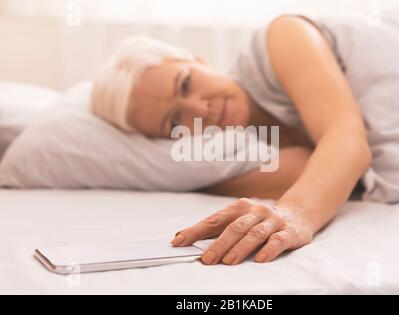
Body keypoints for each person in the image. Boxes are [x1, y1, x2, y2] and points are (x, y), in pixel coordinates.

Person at [90, 15, 372, 266]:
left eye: (186, 83)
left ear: (196, 58)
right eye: (175, 121)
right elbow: (333, 174)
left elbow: (349, 143)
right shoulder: (237, 155)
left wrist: (296, 213)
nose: (200, 109)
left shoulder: (282, 38)